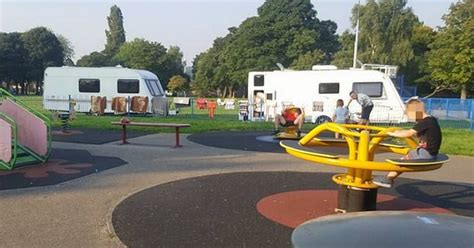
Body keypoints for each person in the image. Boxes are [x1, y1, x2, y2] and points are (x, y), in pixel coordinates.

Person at [372, 101, 442, 188]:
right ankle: (389, 178)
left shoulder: (425, 122)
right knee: (405, 159)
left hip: (426, 153)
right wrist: (398, 131)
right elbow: (411, 131)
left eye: (409, 115)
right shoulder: (431, 120)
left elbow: (408, 133)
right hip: (430, 152)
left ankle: (388, 179)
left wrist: (392, 134)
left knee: (402, 161)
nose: (409, 118)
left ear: (416, 112)